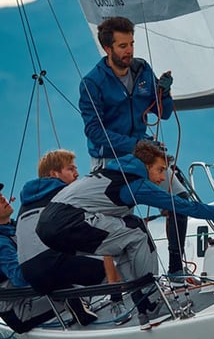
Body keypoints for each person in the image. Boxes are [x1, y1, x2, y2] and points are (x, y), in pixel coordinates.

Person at [37, 140, 214, 326]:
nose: (163, 178)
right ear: (145, 166)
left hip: (48, 227)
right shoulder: (135, 183)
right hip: (67, 222)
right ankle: (152, 300)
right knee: (137, 233)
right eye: (160, 170)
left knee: (127, 232)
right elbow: (184, 206)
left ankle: (142, 303)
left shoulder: (111, 172)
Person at [78, 16, 190, 283]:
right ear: (108, 49)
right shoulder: (92, 84)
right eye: (122, 46)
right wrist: (136, 145)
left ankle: (176, 270)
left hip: (144, 156)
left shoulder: (142, 70)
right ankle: (118, 286)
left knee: (180, 200)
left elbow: (163, 114)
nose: (129, 51)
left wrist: (165, 93)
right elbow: (94, 131)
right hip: (109, 161)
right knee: (114, 228)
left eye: (131, 44)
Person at [0, 181, 96, 329]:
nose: (3, 199)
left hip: (34, 296)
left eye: (1, 195)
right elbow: (20, 278)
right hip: (20, 310)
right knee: (79, 286)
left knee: (82, 278)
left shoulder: (13, 228)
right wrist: (55, 268)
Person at [15, 149, 113, 325]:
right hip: (54, 264)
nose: (77, 173)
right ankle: (126, 306)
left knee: (73, 260)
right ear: (54, 173)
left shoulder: (26, 202)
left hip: (31, 273)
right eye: (71, 169)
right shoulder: (65, 196)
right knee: (111, 266)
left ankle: (77, 305)